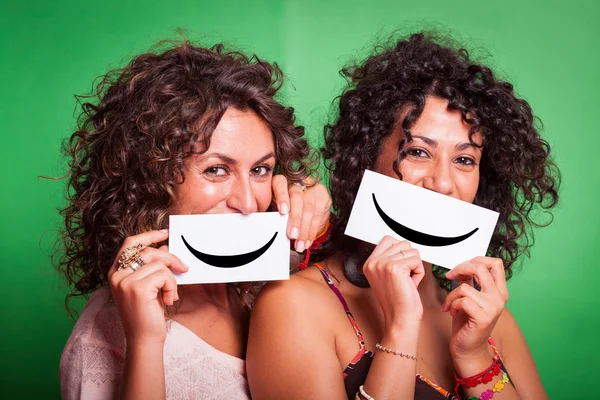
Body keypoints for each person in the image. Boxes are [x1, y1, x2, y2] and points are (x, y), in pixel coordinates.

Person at [247, 32, 559, 399]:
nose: (442, 183)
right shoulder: (294, 306)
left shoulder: (489, 322)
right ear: (365, 160)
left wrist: (474, 356)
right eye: (417, 152)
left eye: (464, 160)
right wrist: (400, 328)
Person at [56, 40, 331, 400]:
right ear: (151, 177)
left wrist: (318, 215)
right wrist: (145, 343)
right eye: (217, 170)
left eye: (261, 169)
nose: (249, 202)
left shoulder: (273, 273)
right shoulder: (100, 340)